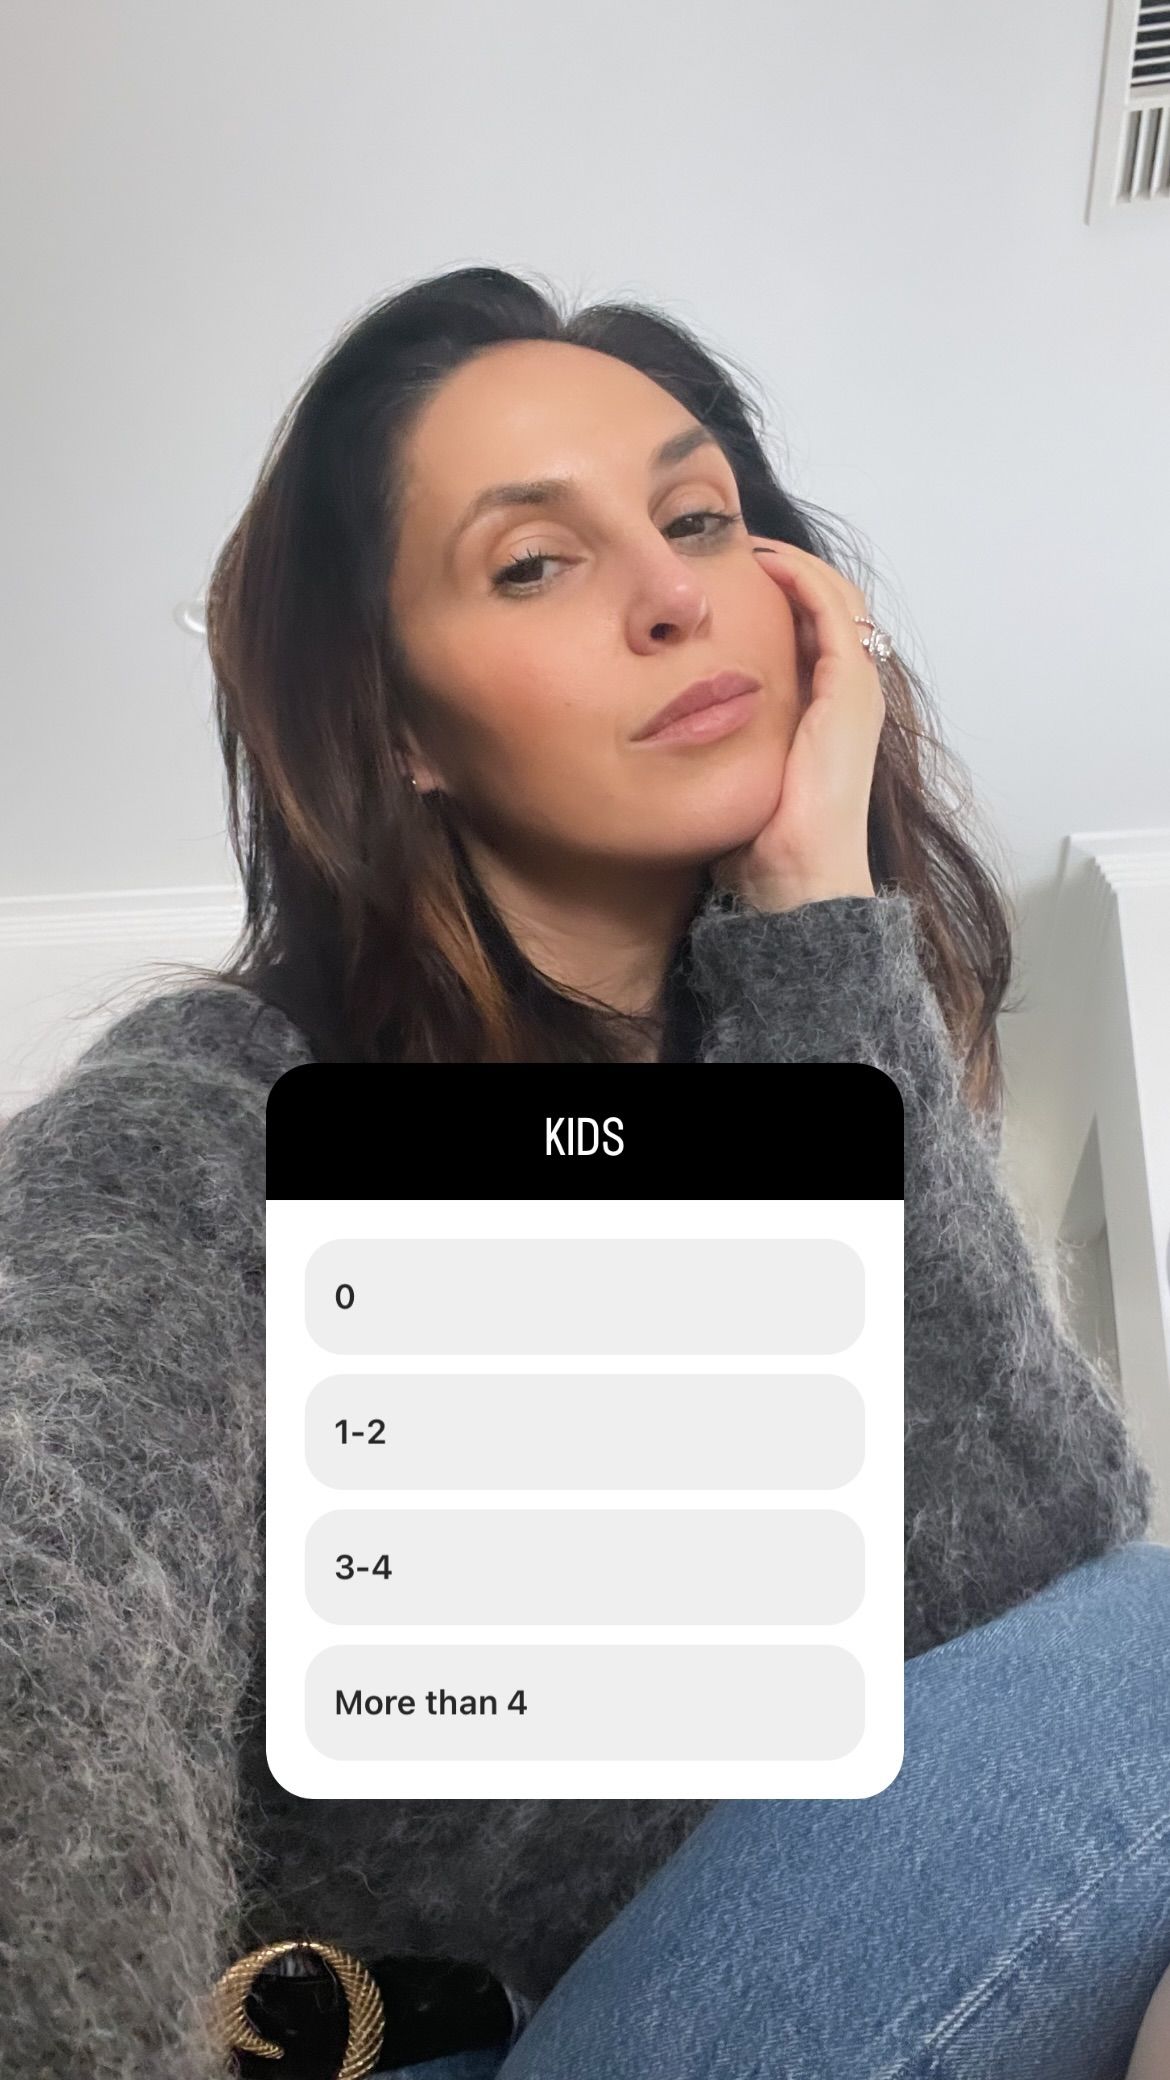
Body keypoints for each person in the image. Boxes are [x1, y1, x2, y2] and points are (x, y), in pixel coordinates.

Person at [0, 264, 1165, 2080]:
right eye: (533, 562)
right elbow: (43, 1610)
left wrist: (813, 914)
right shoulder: (211, 1120)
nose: (671, 593)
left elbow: (1034, 1607)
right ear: (396, 727)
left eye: (697, 519)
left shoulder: (818, 1045)